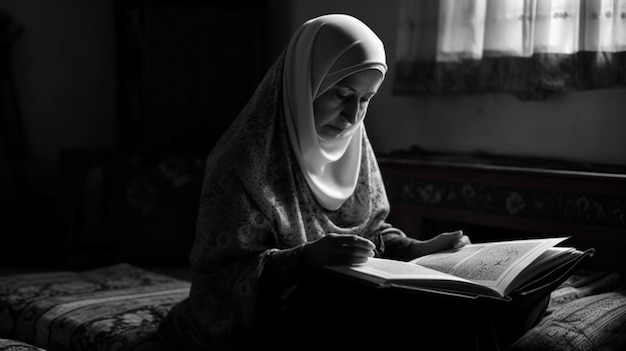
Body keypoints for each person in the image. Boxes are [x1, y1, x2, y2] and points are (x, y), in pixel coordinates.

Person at [159, 14, 472, 351]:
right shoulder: (241, 162)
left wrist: (414, 249)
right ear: (304, 84)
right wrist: (304, 260)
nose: (353, 116)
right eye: (342, 94)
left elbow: (369, 233)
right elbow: (219, 285)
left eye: (365, 99)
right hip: (271, 322)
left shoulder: (354, 145)